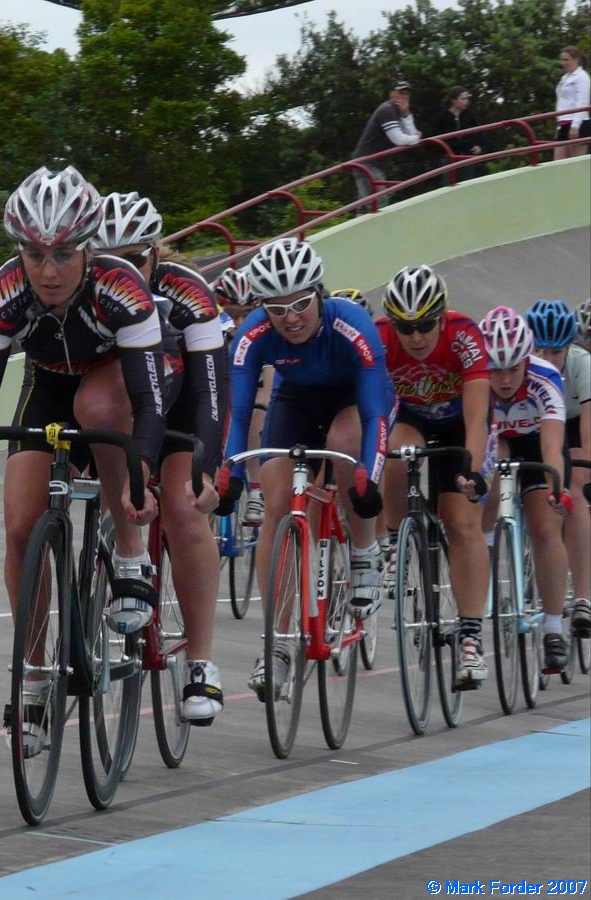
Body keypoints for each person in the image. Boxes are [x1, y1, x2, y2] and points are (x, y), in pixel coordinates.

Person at [0, 166, 167, 752]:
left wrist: (140, 476)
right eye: (35, 254)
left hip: (111, 385)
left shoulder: (121, 288)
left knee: (98, 404)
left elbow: (148, 398)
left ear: (88, 248)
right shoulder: (7, 289)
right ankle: (36, 676)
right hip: (46, 385)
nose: (49, 270)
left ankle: (131, 555)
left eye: (64, 253)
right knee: (19, 527)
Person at [222, 238, 397, 700]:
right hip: (296, 402)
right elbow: (237, 415)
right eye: (276, 308)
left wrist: (368, 477)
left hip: (353, 401)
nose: (291, 317)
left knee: (344, 444)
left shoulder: (352, 323)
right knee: (277, 504)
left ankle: (363, 553)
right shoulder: (254, 335)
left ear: (319, 293)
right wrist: (232, 476)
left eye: (300, 303)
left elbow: (375, 412)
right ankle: (277, 643)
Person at [93, 190, 226, 724]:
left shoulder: (187, 292)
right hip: (123, 402)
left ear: (156, 252)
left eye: (136, 257)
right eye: (112, 256)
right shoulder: (90, 286)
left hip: (181, 407)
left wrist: (207, 468)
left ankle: (200, 662)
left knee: (183, 510)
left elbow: (211, 391)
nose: (125, 268)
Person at [376, 266, 492, 687]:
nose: (416, 337)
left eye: (425, 325)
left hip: (460, 426)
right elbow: (373, 410)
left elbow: (479, 417)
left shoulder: (464, 334)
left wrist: (472, 473)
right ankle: (393, 544)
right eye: (406, 327)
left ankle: (472, 637)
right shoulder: (381, 337)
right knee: (392, 455)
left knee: (461, 522)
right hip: (412, 418)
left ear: (441, 317)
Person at [480, 307, 574, 671]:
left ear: (527, 360)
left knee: (544, 526)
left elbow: (553, 450)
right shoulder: (473, 382)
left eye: (512, 369)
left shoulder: (545, 378)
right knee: (490, 477)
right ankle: (486, 545)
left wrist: (558, 490)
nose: (504, 380)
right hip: (497, 440)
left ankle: (553, 627)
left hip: (537, 445)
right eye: (495, 369)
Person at [524, 299, 590, 637]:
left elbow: (588, 431)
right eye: (541, 351)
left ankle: (582, 597)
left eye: (557, 352)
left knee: (576, 490)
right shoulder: (521, 368)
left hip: (574, 425)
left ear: (570, 347)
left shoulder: (582, 364)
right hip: (534, 425)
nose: (548, 359)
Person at [213, 267, 269, 524]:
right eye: (232, 314)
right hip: (224, 381)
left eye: (246, 315)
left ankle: (257, 490)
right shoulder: (211, 326)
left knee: (257, 411)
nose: (238, 323)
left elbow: (268, 383)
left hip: (255, 384)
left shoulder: (263, 332)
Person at [351, 80, 422, 209]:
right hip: (367, 164)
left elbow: (410, 134)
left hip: (369, 164)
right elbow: (399, 139)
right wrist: (416, 138)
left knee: (365, 207)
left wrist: (406, 114)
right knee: (379, 204)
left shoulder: (399, 112)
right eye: (400, 93)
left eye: (406, 94)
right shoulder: (387, 110)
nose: (403, 96)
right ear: (391, 94)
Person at [431, 86, 483, 181]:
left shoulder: (469, 115)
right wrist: (442, 153)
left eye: (467, 99)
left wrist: (478, 145)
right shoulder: (443, 117)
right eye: (463, 99)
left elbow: (479, 132)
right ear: (454, 100)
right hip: (449, 159)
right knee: (450, 184)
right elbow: (434, 137)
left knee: (467, 184)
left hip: (467, 156)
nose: (466, 101)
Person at [555, 47, 591, 161]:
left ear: (576, 59)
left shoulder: (582, 77)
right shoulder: (564, 78)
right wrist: (559, 126)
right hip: (564, 123)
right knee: (558, 164)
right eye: (562, 60)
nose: (563, 63)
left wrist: (575, 126)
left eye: (566, 60)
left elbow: (582, 102)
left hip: (578, 124)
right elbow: (561, 102)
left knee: (575, 165)